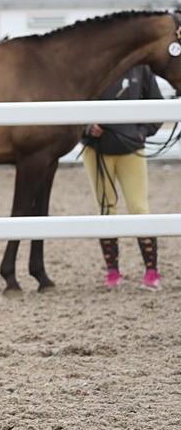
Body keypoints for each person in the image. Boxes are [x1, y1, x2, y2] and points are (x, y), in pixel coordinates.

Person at [81, 65, 164, 290]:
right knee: (106, 209)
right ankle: (113, 273)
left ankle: (151, 272)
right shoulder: (91, 63)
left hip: (131, 149)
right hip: (97, 149)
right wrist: (86, 128)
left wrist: (141, 132)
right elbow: (72, 100)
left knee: (139, 209)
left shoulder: (141, 69)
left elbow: (157, 103)